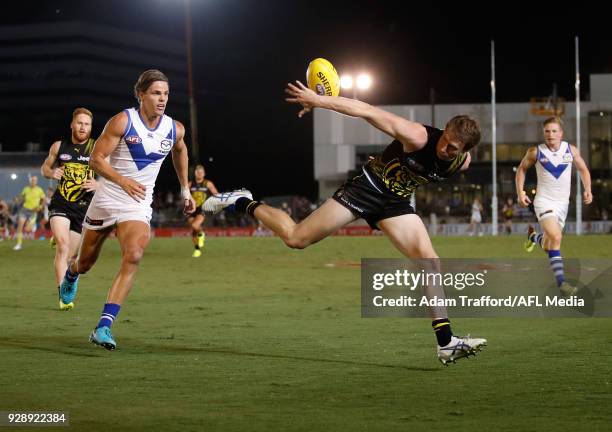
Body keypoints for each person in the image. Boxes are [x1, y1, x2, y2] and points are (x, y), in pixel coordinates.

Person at [205, 80, 487, 365]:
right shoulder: (417, 136)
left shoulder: (460, 162)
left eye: (453, 149)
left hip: (395, 204)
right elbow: (364, 109)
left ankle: (446, 342)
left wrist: (452, 157)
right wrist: (318, 100)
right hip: (365, 190)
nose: (445, 150)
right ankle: (242, 201)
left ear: (464, 151)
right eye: (445, 142)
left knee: (430, 262)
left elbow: (454, 159)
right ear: (444, 130)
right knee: (296, 238)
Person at [57, 69, 195, 350]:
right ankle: (71, 274)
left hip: (137, 203)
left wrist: (185, 189)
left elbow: (180, 151)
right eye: (156, 93)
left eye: (166, 94)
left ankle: (104, 326)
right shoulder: (123, 121)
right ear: (141, 94)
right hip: (107, 198)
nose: (162, 99)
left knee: (133, 254)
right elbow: (96, 159)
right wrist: (122, 180)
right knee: (85, 263)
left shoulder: (174, 128)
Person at [516, 116, 592, 296]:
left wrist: (587, 189)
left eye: (554, 131)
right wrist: (521, 192)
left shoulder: (571, 150)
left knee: (550, 245)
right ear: (544, 133)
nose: (550, 134)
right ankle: (562, 284)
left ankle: (534, 237)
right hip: (544, 202)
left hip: (562, 205)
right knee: (556, 237)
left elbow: (583, 169)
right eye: (547, 131)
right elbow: (521, 169)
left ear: (561, 133)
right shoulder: (536, 152)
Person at [41, 107, 98, 306]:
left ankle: (68, 282)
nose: (83, 127)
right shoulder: (59, 146)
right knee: (63, 247)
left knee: (73, 257)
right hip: (61, 203)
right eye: (80, 123)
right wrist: (52, 173)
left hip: (83, 208)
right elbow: (45, 168)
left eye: (87, 124)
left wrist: (99, 185)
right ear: (72, 125)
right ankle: (62, 297)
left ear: (91, 127)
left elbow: (113, 174)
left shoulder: (97, 148)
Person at [187, 164, 217, 257]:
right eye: (198, 172)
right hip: (192, 209)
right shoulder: (190, 184)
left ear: (204, 174)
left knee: (195, 225)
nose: (199, 174)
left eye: (201, 172)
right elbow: (185, 195)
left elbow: (216, 194)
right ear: (195, 173)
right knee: (193, 230)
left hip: (203, 208)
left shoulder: (208, 183)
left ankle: (202, 234)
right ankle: (197, 249)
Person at [13, 175, 46, 250]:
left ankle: (32, 224)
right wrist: (17, 199)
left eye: (34, 180)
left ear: (36, 181)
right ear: (30, 181)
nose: (33, 181)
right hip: (24, 209)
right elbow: (22, 198)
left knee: (28, 229)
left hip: (33, 211)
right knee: (20, 226)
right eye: (32, 180)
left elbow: (44, 200)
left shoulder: (39, 190)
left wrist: (40, 207)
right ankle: (19, 244)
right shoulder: (26, 189)